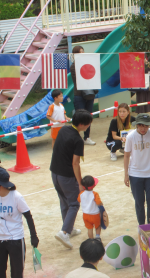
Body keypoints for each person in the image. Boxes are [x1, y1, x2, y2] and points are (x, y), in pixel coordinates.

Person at [51, 109, 92, 249]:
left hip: (54, 173)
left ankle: (69, 228)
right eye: (87, 124)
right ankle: (64, 232)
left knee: (64, 202)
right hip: (66, 176)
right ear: (81, 124)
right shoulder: (78, 140)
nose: (88, 126)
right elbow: (75, 163)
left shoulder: (63, 130)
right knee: (74, 203)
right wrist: (80, 182)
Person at [70, 46, 96, 145]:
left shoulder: (88, 64)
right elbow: (79, 80)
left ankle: (87, 137)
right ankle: (76, 137)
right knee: (79, 116)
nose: (82, 53)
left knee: (89, 115)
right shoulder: (73, 66)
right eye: (80, 52)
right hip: (79, 95)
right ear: (75, 54)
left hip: (90, 93)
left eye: (83, 51)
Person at [78, 176, 103, 240]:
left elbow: (78, 200)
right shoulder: (95, 194)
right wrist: (101, 205)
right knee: (98, 226)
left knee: (89, 228)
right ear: (94, 185)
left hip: (85, 215)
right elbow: (98, 203)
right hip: (95, 214)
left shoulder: (81, 194)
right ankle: (97, 237)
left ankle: (91, 240)